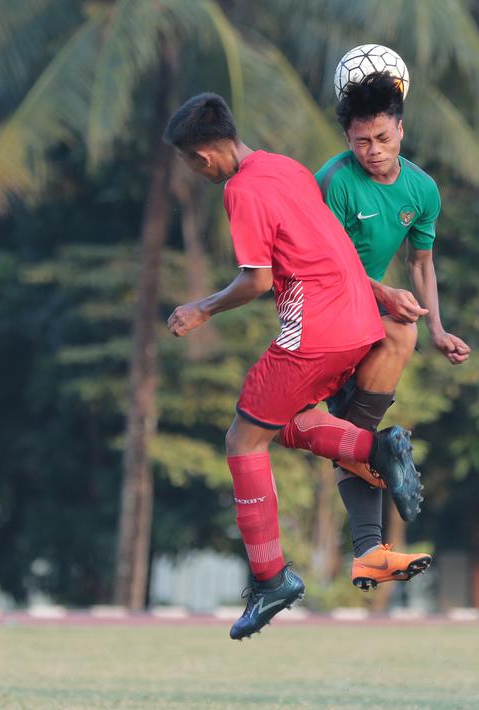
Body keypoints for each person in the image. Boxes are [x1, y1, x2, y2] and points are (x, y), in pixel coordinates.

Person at [162, 92, 424, 640]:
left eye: (189, 162)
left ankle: (271, 577)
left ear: (201, 156)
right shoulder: (282, 165)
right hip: (359, 317)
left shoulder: (240, 189)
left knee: (241, 440)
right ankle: (378, 449)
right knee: (284, 421)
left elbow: (256, 280)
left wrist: (201, 308)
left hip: (316, 326)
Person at [316, 73, 471, 591]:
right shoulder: (334, 182)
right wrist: (385, 295)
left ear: (400, 131)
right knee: (398, 331)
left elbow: (421, 262)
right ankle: (376, 447)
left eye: (382, 139)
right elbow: (324, 268)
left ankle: (369, 548)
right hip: (316, 307)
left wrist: (439, 328)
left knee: (353, 430)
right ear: (347, 140)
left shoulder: (422, 189)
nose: (373, 151)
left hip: (367, 310)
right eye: (362, 142)